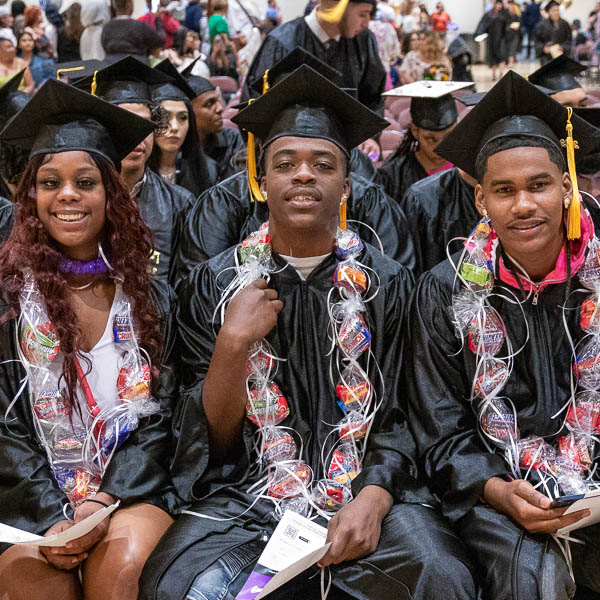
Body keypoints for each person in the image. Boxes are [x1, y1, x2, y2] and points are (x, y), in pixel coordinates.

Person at [138, 63, 476, 600]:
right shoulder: (213, 283)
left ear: (347, 183)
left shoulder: (390, 286)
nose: (303, 175)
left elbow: (409, 413)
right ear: (260, 177)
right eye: (285, 163)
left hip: (373, 490)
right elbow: (215, 441)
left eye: (323, 164)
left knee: (441, 576)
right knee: (180, 586)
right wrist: (232, 343)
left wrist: (374, 496)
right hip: (248, 497)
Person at [407, 70, 600, 600]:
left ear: (567, 186)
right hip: (499, 492)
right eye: (503, 190)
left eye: (539, 185)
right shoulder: (443, 292)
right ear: (480, 202)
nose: (523, 205)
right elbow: (438, 424)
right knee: (533, 583)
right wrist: (495, 489)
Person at [0, 77, 176, 600]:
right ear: (32, 195)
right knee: (34, 584)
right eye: (50, 182)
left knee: (119, 569)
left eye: (85, 181)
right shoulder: (8, 302)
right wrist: (51, 515)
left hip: (129, 487)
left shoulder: (149, 297)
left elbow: (166, 413)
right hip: (32, 492)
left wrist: (104, 499)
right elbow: (3, 425)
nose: (67, 195)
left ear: (110, 192)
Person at [74, 56, 196, 292]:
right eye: (122, 125)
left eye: (143, 125)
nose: (135, 136)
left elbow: (184, 287)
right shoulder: (74, 201)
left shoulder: (180, 204)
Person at [243, 0, 386, 156]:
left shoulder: (363, 40)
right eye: (362, 14)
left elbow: (372, 96)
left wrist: (369, 137)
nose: (366, 23)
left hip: (349, 152)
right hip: (289, 154)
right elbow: (255, 103)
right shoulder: (283, 41)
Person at [376, 82, 468, 201]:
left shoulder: (467, 170)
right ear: (415, 131)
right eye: (430, 139)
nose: (439, 146)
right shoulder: (393, 177)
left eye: (448, 136)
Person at [150, 59, 218, 196]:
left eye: (182, 118)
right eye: (165, 117)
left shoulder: (207, 170)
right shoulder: (137, 171)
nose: (174, 127)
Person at [184, 70, 245, 181]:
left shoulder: (235, 141)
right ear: (188, 112)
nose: (220, 108)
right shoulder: (177, 148)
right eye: (209, 104)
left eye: (218, 100)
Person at [101, 0, 165, 65]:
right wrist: (157, 19)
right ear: (129, 4)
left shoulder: (106, 27)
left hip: (111, 69)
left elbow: (105, 48)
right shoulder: (141, 26)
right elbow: (158, 46)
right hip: (138, 69)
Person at [535, 0, 571, 65]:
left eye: (557, 10)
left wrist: (562, 47)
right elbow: (538, 41)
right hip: (546, 57)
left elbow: (569, 40)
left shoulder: (565, 24)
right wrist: (543, 48)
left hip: (561, 55)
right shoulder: (542, 25)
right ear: (549, 12)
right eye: (553, 10)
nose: (556, 12)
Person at [481, 0, 509, 81]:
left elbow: (506, 27)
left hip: (501, 39)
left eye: (500, 4)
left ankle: (501, 74)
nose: (499, 6)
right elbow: (485, 26)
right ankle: (493, 75)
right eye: (497, 4)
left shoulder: (504, 14)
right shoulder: (489, 14)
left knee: (502, 57)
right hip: (491, 39)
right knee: (492, 58)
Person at [0, 28, 33, 92]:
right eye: (8, 47)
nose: (13, 49)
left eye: (13, 46)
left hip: (19, 99)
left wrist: (19, 97)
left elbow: (30, 85)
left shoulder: (22, 63)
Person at [506, 0, 521, 67]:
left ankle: (511, 62)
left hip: (515, 34)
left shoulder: (517, 14)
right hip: (507, 34)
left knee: (513, 48)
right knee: (508, 48)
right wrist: (509, 26)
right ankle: (508, 61)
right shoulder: (505, 13)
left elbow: (520, 22)